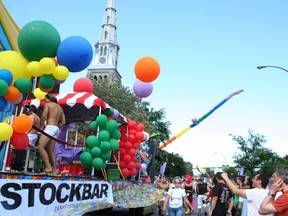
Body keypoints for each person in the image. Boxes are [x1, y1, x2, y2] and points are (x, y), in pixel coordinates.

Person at [38, 94, 66, 174]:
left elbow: (43, 116)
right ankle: (54, 169)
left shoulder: (48, 105)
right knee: (50, 150)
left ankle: (48, 167)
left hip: (50, 127)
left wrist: (41, 126)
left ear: (49, 99)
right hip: (56, 129)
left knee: (40, 147)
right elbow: (63, 122)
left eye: (45, 99)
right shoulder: (60, 108)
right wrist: (56, 127)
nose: (44, 101)